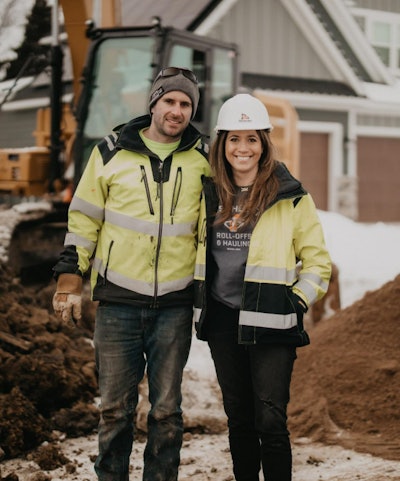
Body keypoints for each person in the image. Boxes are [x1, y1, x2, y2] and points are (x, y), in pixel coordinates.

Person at [52, 67, 211, 481]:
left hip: (174, 307)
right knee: (114, 411)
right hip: (118, 304)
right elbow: (83, 221)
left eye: (185, 104)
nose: (177, 110)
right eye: (170, 101)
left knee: (166, 413)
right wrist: (70, 280)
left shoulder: (204, 159)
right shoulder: (109, 153)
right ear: (154, 102)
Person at [193, 93, 332, 481]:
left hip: (273, 321)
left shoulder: (289, 196)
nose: (243, 148)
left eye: (252, 138)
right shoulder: (207, 194)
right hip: (223, 320)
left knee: (270, 420)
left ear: (264, 144)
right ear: (222, 144)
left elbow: (318, 261)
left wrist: (297, 299)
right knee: (239, 420)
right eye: (234, 139)